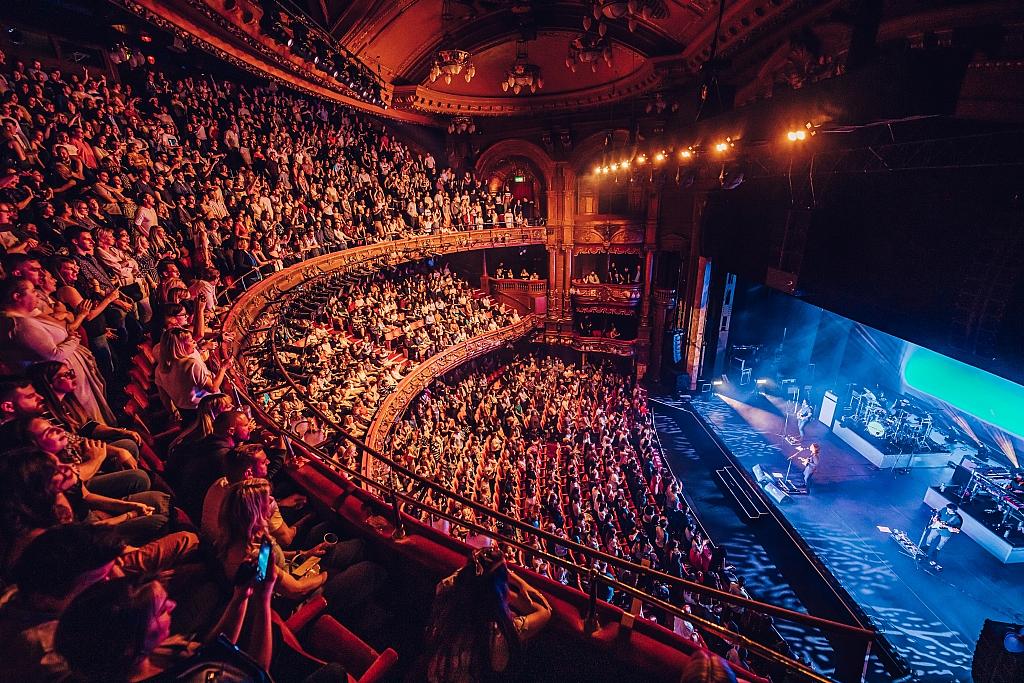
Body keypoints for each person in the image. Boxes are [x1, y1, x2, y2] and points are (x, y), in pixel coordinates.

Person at [54, 570, 276, 683]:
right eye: (161, 610)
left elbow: (213, 650)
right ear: (128, 645)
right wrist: (263, 600)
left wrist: (240, 598)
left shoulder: (144, 656)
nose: (173, 605)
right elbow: (256, 672)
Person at [421, 546, 552, 682]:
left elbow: (470, 573)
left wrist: (497, 585)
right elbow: (545, 611)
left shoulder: (445, 590)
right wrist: (519, 585)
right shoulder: (497, 636)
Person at [919, 502, 963, 569]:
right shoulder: (944, 509)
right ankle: (927, 546)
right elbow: (938, 514)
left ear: (954, 510)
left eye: (950, 510)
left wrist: (950, 528)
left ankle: (936, 551)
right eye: (948, 509)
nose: (948, 510)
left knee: (942, 542)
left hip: (946, 532)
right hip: (937, 528)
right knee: (930, 537)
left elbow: (957, 529)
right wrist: (935, 518)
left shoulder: (958, 519)